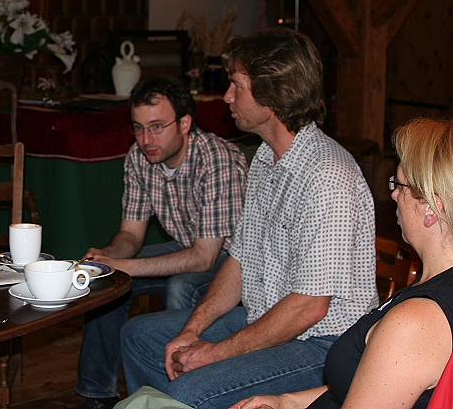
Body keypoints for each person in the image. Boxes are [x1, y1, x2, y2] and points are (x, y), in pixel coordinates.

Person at [120, 29, 377, 409]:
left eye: (237, 85)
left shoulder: (327, 175)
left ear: (274, 93)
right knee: (140, 337)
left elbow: (309, 307)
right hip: (267, 319)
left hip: (324, 344)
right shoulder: (265, 158)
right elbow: (239, 259)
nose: (227, 96)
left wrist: (215, 353)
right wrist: (193, 329)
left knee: (188, 392)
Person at [228, 118, 453, 409]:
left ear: (431, 208)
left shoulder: (415, 323)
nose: (393, 196)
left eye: (399, 185)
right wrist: (289, 402)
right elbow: (385, 385)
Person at [75, 77, 248, 409]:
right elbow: (130, 235)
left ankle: (179, 394)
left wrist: (124, 265)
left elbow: (204, 258)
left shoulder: (217, 160)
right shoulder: (139, 157)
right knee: (105, 278)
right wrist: (107, 257)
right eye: (138, 128)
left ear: (184, 123)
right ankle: (97, 396)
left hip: (234, 261)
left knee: (180, 285)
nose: (146, 139)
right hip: (189, 246)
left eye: (156, 127)